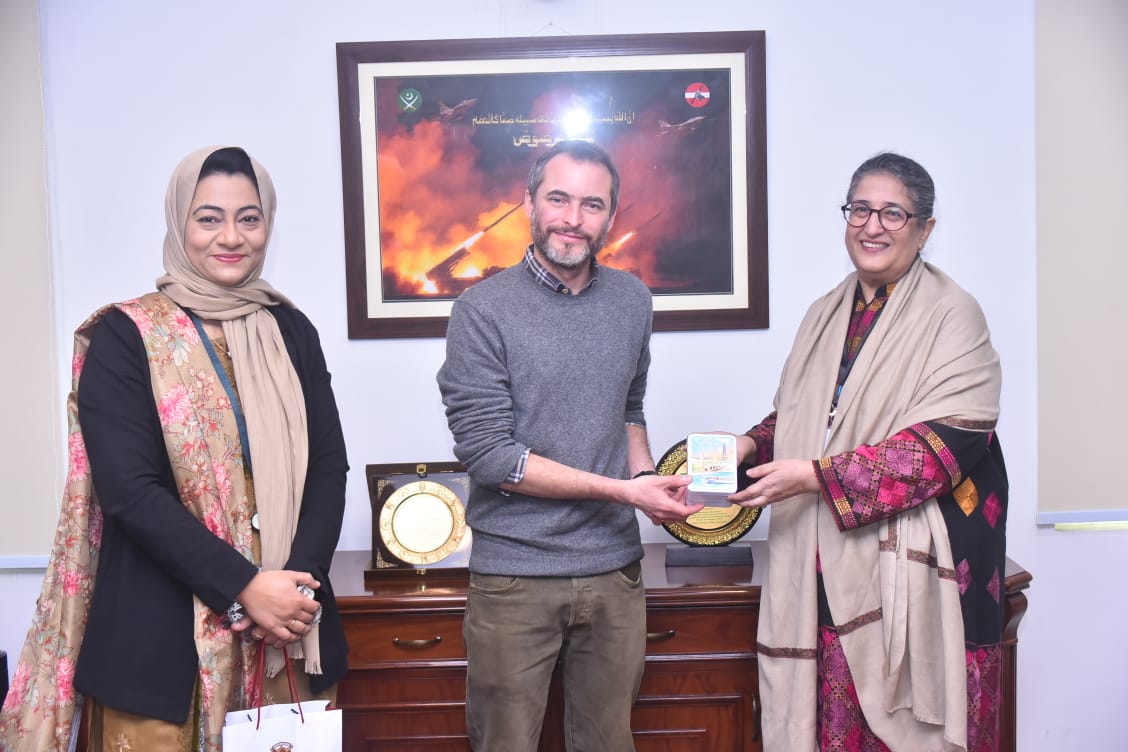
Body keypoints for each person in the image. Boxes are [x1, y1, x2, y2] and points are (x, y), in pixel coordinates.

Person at [0, 146, 350, 751]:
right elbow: (130, 492)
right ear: (178, 223)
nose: (231, 237)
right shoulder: (126, 335)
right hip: (159, 641)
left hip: (289, 635)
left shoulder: (291, 330)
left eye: (249, 218)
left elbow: (327, 466)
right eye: (208, 218)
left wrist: (296, 590)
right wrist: (247, 587)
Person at [721, 152, 1008, 752]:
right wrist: (751, 443)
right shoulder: (824, 314)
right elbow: (808, 420)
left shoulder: (953, 316)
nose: (872, 226)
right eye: (860, 209)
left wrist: (816, 476)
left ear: (925, 229)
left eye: (892, 213)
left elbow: (945, 447)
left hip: (909, 577)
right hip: (820, 570)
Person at [436, 139, 700, 752]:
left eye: (591, 204)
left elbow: (628, 408)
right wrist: (622, 492)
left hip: (615, 574)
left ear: (611, 215)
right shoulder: (481, 310)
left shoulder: (632, 300)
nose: (573, 219)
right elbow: (491, 455)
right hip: (515, 578)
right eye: (558, 199)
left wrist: (646, 479)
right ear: (529, 202)